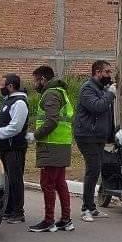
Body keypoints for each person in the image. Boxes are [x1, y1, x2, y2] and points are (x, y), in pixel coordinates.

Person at [27, 65, 74, 232]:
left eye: (35, 80)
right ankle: (66, 220)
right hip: (61, 144)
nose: (34, 84)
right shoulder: (61, 92)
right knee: (60, 183)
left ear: (43, 79)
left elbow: (52, 120)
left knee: (47, 183)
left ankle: (49, 221)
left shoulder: (50, 94)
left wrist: (36, 135)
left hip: (51, 146)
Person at [73, 59, 116, 222]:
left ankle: (91, 207)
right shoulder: (87, 89)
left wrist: (110, 135)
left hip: (98, 136)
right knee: (93, 169)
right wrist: (110, 93)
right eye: (106, 72)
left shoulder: (101, 88)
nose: (109, 75)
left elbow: (106, 114)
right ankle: (86, 209)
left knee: (96, 169)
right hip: (86, 135)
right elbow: (97, 107)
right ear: (97, 72)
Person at [0, 74, 29, 224]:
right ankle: (9, 210)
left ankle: (17, 211)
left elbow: (15, 128)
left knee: (15, 180)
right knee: (7, 180)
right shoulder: (9, 101)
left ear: (10, 86)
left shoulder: (19, 103)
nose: (1, 87)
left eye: (2, 84)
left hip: (14, 148)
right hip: (5, 147)